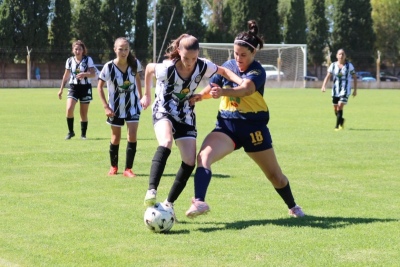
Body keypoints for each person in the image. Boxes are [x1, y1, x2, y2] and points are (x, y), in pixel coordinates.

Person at [184, 20, 305, 219]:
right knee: (203, 157)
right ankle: (199, 202)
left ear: (253, 53)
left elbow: (246, 89)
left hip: (253, 129)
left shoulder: (257, 70)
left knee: (275, 176)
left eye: (243, 55)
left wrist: (223, 91)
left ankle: (293, 206)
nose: (238, 59)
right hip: (226, 126)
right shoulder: (227, 66)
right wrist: (200, 96)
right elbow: (212, 87)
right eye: (235, 54)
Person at [142, 34, 243, 215]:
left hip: (186, 113)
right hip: (163, 109)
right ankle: (152, 190)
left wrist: (242, 83)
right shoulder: (167, 68)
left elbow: (224, 71)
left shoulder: (203, 65)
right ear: (178, 52)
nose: (190, 63)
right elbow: (148, 69)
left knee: (189, 161)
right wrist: (147, 95)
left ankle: (168, 204)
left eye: (194, 58)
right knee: (166, 142)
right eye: (186, 58)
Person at [97, 37, 144, 178]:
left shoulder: (135, 63)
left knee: (132, 135)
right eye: (120, 49)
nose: (123, 52)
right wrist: (106, 106)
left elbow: (137, 79)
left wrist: (141, 98)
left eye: (126, 49)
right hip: (115, 108)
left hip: (133, 107)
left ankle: (128, 169)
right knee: (116, 137)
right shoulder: (109, 67)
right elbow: (99, 87)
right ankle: (114, 166)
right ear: (114, 49)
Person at [58, 40, 96, 140]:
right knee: (69, 109)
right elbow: (65, 76)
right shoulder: (69, 61)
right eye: (76, 49)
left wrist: (84, 74)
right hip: (73, 87)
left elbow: (93, 73)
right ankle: (71, 132)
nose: (77, 51)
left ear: (83, 50)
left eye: (79, 49)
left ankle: (83, 135)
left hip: (85, 87)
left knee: (83, 113)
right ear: (72, 50)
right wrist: (61, 89)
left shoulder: (88, 60)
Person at [321, 49, 357, 131]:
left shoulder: (349, 66)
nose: (341, 56)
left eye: (343, 54)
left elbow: (354, 77)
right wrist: (323, 86)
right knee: (335, 108)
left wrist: (355, 90)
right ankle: (341, 120)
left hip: (345, 89)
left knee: (340, 106)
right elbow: (328, 76)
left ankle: (337, 126)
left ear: (345, 56)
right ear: (337, 56)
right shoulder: (333, 65)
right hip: (335, 90)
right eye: (340, 54)